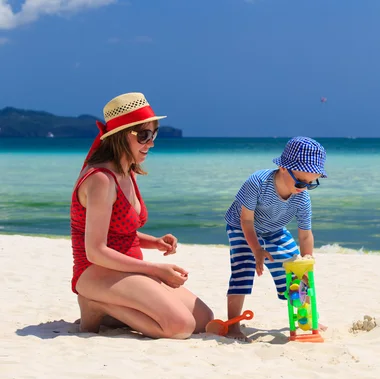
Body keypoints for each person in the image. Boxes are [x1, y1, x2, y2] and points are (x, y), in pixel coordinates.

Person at [70, 92, 214, 339]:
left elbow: (119, 231)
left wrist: (153, 242)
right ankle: (97, 304)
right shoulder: (101, 180)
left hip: (126, 269)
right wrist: (154, 270)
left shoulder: (128, 172)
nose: (151, 143)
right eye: (144, 136)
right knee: (180, 327)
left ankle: (115, 312)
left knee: (204, 319)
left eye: (153, 134)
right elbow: (95, 250)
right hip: (94, 270)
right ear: (120, 137)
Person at [223, 137, 327, 342]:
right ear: (282, 167)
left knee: (298, 274)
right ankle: (233, 326)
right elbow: (246, 220)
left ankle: (308, 318)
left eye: (310, 184)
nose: (303, 188)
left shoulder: (302, 198)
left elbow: (305, 234)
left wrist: (307, 260)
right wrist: (256, 250)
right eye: (299, 181)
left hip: (274, 230)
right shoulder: (257, 183)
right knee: (243, 270)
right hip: (241, 227)